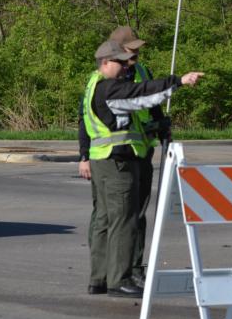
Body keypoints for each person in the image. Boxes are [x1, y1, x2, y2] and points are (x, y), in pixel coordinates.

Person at [78, 39, 203, 297]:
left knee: (105, 219)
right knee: (124, 221)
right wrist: (178, 81)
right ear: (105, 63)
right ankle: (119, 279)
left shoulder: (98, 86)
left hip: (106, 160)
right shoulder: (110, 89)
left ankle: (100, 278)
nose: (126, 67)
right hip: (118, 163)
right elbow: (142, 95)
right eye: (120, 63)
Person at [110, 26, 167, 288]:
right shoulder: (108, 76)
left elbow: (153, 105)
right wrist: (84, 155)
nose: (137, 54)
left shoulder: (143, 72)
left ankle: (135, 267)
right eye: (133, 49)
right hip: (118, 154)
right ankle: (114, 272)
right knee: (121, 216)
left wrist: (162, 125)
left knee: (140, 212)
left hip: (142, 149)